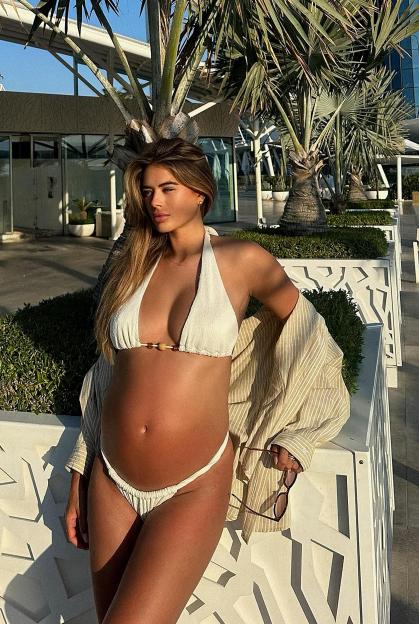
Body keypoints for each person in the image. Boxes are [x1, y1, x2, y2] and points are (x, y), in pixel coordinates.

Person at [63, 137, 349, 624]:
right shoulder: (134, 265)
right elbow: (107, 375)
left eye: (168, 188)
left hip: (193, 484)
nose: (155, 201)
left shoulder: (242, 260)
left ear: (200, 192)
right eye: (147, 191)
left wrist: (303, 432)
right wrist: (80, 475)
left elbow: (311, 336)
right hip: (110, 477)